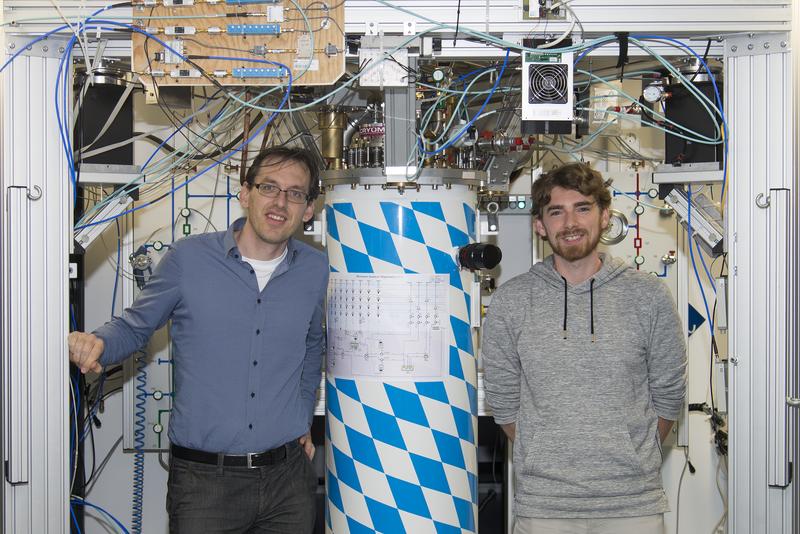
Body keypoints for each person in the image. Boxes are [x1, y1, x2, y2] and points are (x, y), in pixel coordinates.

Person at [68, 146, 329, 533]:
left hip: (288, 483)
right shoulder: (189, 260)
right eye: (269, 187)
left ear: (308, 210)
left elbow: (312, 345)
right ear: (245, 193)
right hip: (206, 485)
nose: (280, 202)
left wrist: (302, 415)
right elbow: (136, 326)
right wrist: (98, 344)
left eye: (295, 193)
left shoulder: (316, 268)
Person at [482, 162, 686, 534]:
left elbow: (669, 393)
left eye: (583, 208)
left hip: (632, 505)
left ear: (605, 217)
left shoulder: (648, 296)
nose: (570, 223)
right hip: (543, 506)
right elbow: (503, 400)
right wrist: (545, 449)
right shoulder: (512, 301)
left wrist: (627, 452)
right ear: (540, 225)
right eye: (556, 212)